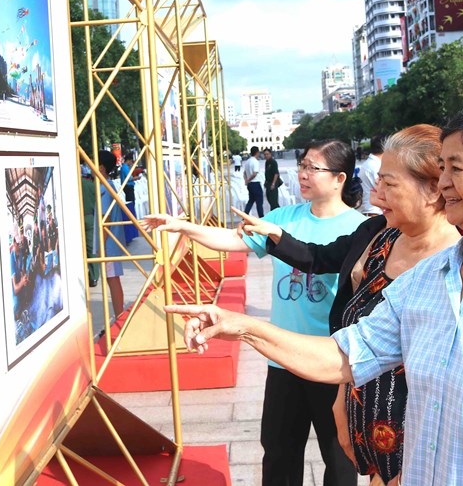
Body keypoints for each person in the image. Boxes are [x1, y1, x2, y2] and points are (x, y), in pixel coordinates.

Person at [167, 104, 463, 486]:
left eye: (456, 169)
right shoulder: (427, 279)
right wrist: (239, 326)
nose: (443, 183)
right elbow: (346, 354)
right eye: (441, 168)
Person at [236, 125, 460, 485]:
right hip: (363, 404)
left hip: (419, 428)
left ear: (434, 189)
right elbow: (322, 262)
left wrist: (245, 328)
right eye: (378, 180)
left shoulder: (459, 263)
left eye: (388, 183)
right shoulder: (378, 234)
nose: (375, 192)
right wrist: (343, 396)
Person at [143, 139, 366, 486]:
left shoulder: (359, 228)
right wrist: (184, 227)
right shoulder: (284, 217)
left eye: (313, 168)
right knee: (278, 452)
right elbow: (234, 240)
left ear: (339, 178)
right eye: (303, 165)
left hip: (331, 361)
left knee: (339, 458)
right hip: (281, 358)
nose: (303, 174)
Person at [94, 149, 126, 318]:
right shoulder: (107, 186)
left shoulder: (104, 189)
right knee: (112, 279)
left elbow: (104, 219)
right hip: (110, 243)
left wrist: (101, 246)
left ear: (101, 167)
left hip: (109, 244)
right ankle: (119, 315)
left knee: (112, 279)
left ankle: (119, 316)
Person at [357, 135, 384, 217]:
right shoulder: (377, 166)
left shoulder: (370, 163)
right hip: (374, 213)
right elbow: (384, 191)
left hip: (370, 212)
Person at [120, 152, 140, 243]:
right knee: (131, 204)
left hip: (128, 187)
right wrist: (136, 178)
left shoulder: (125, 167)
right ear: (128, 160)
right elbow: (129, 178)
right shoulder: (124, 168)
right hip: (128, 187)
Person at [243, 146, 265, 217]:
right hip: (255, 183)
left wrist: (246, 180)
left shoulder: (247, 161)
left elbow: (244, 172)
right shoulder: (255, 161)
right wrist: (249, 179)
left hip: (250, 184)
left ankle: (245, 216)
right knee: (259, 202)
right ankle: (261, 217)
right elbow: (255, 173)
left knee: (251, 201)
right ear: (257, 152)